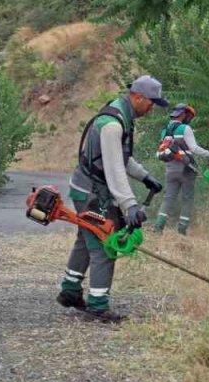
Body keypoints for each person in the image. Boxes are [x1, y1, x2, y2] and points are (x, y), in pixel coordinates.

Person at [57, 76, 168, 323]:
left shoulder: (121, 115)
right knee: (104, 241)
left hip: (85, 187)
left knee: (86, 238)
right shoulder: (112, 125)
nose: (153, 108)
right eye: (151, 103)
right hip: (90, 191)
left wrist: (145, 177)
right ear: (137, 97)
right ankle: (98, 306)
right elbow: (114, 168)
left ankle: (70, 290)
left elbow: (122, 158)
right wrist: (129, 205)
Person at [152, 103, 209, 235]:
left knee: (168, 198)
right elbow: (194, 148)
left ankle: (158, 228)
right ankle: (182, 230)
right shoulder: (185, 128)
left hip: (170, 169)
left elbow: (164, 151)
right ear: (183, 114)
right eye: (189, 115)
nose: (189, 118)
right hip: (186, 169)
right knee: (187, 199)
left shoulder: (164, 130)